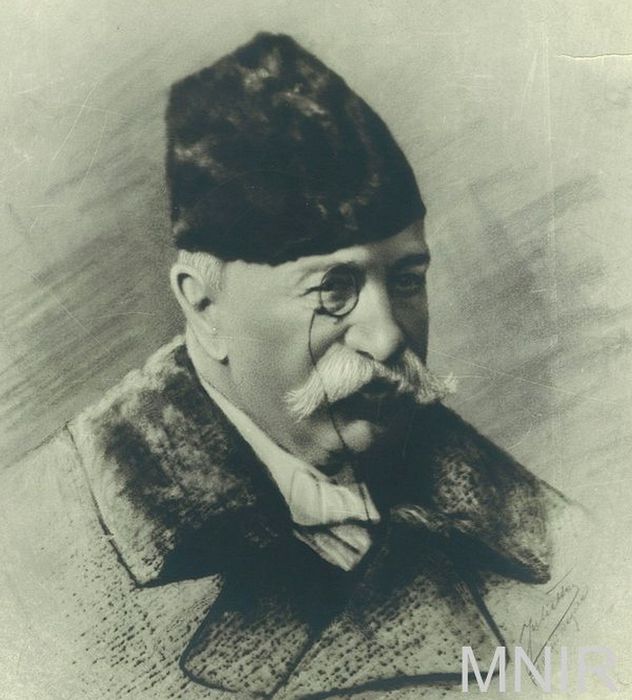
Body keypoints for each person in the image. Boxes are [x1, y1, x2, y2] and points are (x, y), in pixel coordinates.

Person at [0, 32, 587, 700]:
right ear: (204, 305)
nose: (387, 338)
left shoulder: (566, 554)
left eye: (406, 280)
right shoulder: (28, 563)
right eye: (332, 289)